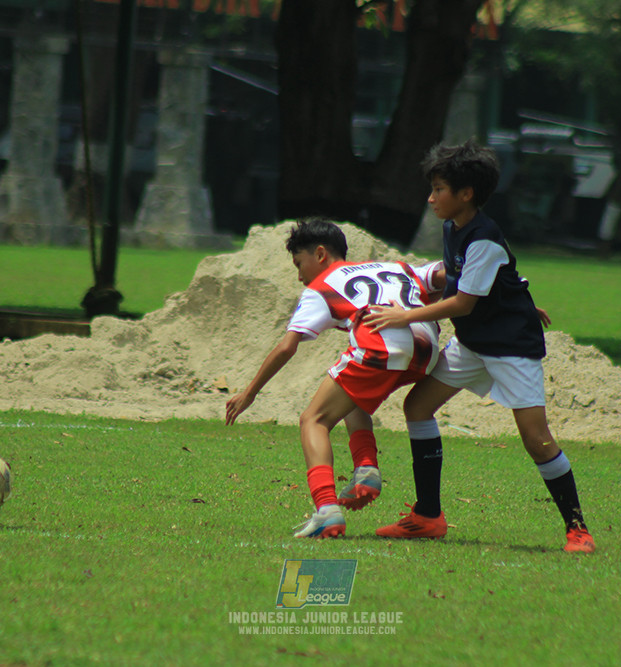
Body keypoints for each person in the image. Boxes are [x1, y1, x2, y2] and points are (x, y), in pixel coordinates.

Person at [364, 140, 595, 553]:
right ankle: (427, 516)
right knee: (417, 407)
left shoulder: (484, 237)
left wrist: (402, 316)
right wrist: (519, 299)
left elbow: (463, 301)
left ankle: (577, 528)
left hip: (510, 348)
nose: (431, 197)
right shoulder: (453, 227)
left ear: (466, 194)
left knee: (536, 439)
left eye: (439, 189)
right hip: (472, 344)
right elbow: (476, 280)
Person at [225, 217, 444, 539]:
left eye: (300, 264)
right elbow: (448, 274)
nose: (299, 276)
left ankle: (326, 509)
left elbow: (287, 347)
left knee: (312, 420)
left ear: (321, 254)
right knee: (352, 397)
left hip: (380, 348)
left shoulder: (321, 287)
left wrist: (250, 393)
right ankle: (366, 468)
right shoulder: (394, 267)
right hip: (427, 351)